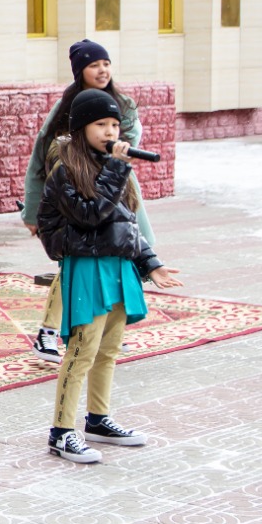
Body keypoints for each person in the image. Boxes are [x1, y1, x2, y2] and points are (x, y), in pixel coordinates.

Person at [37, 89, 182, 463]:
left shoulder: (112, 168)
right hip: (86, 266)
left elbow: (126, 223)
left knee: (108, 350)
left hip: (117, 265)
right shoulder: (66, 169)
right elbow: (90, 215)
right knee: (82, 350)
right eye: (101, 124)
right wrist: (118, 169)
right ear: (82, 127)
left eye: (115, 124)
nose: (110, 131)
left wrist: (151, 263)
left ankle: (98, 420)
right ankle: (61, 431)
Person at [21, 40, 155, 364]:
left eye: (106, 63)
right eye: (94, 65)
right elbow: (41, 155)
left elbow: (132, 136)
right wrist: (33, 207)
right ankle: (48, 333)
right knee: (72, 260)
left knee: (121, 253)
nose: (102, 70)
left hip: (115, 189)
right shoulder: (65, 108)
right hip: (75, 191)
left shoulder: (122, 103)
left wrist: (115, 154)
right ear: (80, 70)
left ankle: (110, 328)